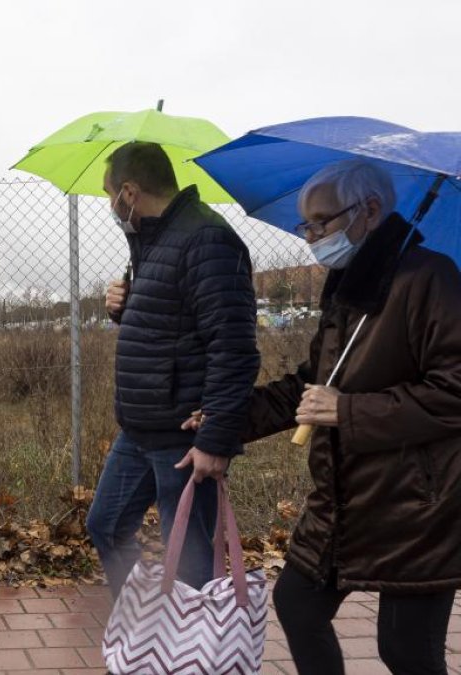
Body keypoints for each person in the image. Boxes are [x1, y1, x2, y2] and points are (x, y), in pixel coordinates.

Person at [213, 159, 461, 674]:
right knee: (299, 605)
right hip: (343, 499)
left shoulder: (430, 278)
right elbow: (311, 386)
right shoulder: (348, 289)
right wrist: (225, 419)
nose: (311, 237)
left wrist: (347, 410)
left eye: (321, 222)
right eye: (306, 225)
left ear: (369, 210)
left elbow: (454, 391)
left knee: (406, 651)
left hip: (416, 506)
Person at [87, 141, 260, 598]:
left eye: (110, 196)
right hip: (139, 429)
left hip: (184, 437)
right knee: (105, 526)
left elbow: (234, 346)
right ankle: (149, 627)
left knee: (192, 559)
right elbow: (169, 322)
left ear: (129, 191)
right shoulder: (153, 239)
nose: (111, 207)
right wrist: (121, 308)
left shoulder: (207, 238)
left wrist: (215, 438)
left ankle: (193, 653)